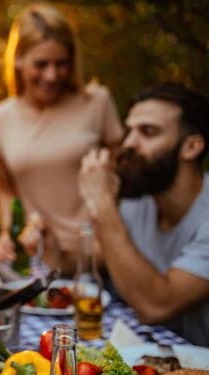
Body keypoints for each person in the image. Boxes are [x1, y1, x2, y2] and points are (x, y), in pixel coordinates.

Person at [0, 3, 124, 274]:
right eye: (41, 64)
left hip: (100, 257)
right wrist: (8, 233)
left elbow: (122, 174)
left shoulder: (97, 102)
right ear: (19, 59)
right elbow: (7, 190)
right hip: (39, 261)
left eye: (61, 64)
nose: (52, 75)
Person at [78, 83, 209, 346]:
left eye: (148, 132)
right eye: (129, 131)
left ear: (191, 147)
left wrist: (103, 205)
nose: (128, 143)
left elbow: (155, 306)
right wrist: (47, 242)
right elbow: (93, 258)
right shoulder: (139, 202)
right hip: (163, 356)